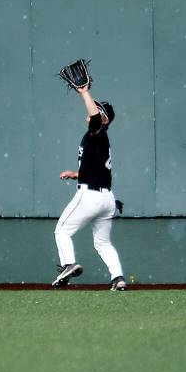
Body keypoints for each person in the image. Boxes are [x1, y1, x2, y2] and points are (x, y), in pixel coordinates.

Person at [51, 82, 126, 291]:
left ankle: (69, 264)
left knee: (61, 231)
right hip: (106, 198)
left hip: (90, 196)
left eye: (97, 110)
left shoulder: (98, 131)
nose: (91, 111)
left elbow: (95, 118)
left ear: (104, 119)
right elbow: (97, 170)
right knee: (103, 243)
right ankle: (118, 278)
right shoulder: (98, 138)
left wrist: (84, 92)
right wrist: (75, 174)